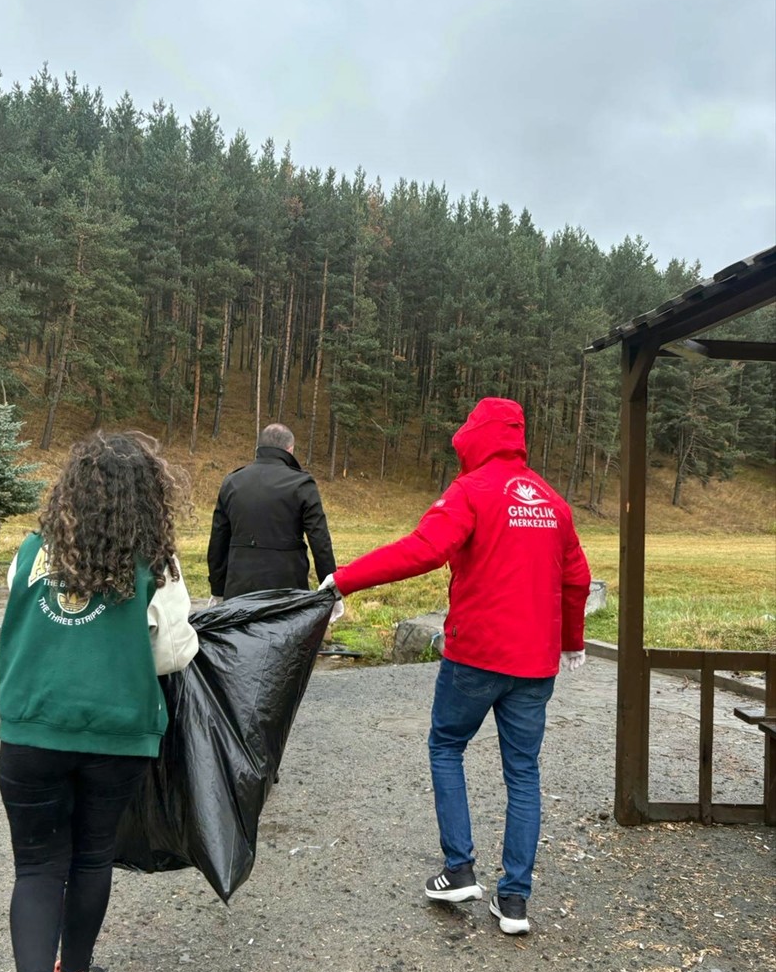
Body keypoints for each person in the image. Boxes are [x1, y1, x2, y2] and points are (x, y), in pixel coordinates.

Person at [321, 398, 590, 936]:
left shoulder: (471, 492)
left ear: (476, 436)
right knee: (524, 773)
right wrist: (571, 643)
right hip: (535, 664)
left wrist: (344, 579)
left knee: (446, 745)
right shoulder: (553, 502)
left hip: (476, 656)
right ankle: (514, 901)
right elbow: (577, 578)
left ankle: (459, 868)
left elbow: (423, 548)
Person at [0, 431, 199, 972]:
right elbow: (172, 654)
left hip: (31, 731)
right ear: (149, 497)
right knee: (89, 855)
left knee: (36, 866)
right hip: (116, 736)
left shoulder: (32, 551)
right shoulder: (156, 564)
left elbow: (18, 613)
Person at [207, 422, 336, 600]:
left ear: (258, 447)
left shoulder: (232, 482)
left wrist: (218, 587)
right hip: (288, 588)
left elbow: (218, 540)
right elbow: (320, 541)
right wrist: (330, 590)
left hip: (239, 588)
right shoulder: (302, 483)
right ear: (290, 449)